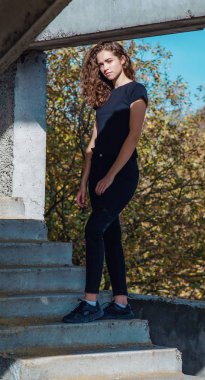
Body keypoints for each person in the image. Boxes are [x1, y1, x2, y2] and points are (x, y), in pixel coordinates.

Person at [63, 40, 148, 323]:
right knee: (110, 234)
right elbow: (92, 144)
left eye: (108, 61)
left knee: (94, 230)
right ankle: (121, 303)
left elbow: (132, 137)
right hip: (98, 174)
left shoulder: (136, 91)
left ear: (122, 59)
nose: (104, 68)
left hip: (121, 175)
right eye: (99, 64)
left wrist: (111, 175)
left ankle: (90, 301)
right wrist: (84, 182)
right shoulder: (103, 97)